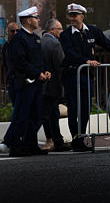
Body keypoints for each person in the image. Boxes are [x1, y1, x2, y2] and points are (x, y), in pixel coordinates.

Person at [60, 3, 110, 152]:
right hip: (72, 76)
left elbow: (108, 45)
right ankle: (75, 139)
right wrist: (85, 61)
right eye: (70, 15)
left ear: (82, 16)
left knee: (85, 108)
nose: (72, 18)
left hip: (86, 76)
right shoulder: (65, 35)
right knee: (73, 109)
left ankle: (81, 137)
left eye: (75, 15)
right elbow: (69, 53)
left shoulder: (91, 31)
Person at [4, 7, 51, 157]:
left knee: (35, 115)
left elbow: (39, 59)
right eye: (36, 18)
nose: (38, 20)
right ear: (28, 20)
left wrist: (45, 70)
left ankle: (31, 144)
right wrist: (37, 73)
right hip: (26, 83)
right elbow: (21, 61)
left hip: (37, 82)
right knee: (22, 115)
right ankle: (17, 146)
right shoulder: (19, 39)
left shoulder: (34, 37)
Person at [40, 18, 70, 152]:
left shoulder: (40, 41)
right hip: (54, 84)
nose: (62, 31)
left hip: (43, 84)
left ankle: (56, 140)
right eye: (60, 29)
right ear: (53, 30)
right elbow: (61, 66)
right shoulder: (55, 43)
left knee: (51, 113)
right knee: (50, 114)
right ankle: (56, 141)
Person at [0, 22, 20, 153]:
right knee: (18, 114)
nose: (15, 33)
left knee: (20, 114)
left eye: (17, 31)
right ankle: (9, 141)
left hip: (21, 83)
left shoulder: (20, 44)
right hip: (14, 84)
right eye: (12, 31)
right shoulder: (7, 46)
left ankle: (13, 141)